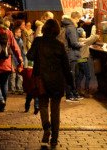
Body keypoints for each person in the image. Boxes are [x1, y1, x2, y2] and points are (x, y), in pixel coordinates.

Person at [27, 19, 73, 148]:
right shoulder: (60, 44)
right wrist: (70, 82)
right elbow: (66, 65)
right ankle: (54, 138)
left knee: (43, 105)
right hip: (57, 80)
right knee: (55, 109)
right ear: (57, 30)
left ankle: (46, 128)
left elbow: (29, 56)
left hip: (41, 79)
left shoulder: (38, 41)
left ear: (44, 28)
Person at [60, 12, 84, 101]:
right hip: (72, 54)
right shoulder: (71, 27)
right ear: (76, 18)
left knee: (70, 74)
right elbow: (74, 43)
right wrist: (81, 44)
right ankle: (70, 95)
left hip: (68, 54)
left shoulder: (66, 26)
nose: (78, 21)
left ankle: (72, 94)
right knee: (71, 75)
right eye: (78, 19)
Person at [76, 27, 99, 97]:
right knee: (88, 76)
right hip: (83, 60)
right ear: (81, 33)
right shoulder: (83, 41)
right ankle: (86, 92)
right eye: (84, 31)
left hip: (79, 60)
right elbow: (92, 38)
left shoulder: (78, 40)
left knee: (80, 75)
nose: (85, 32)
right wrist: (94, 28)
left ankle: (78, 90)